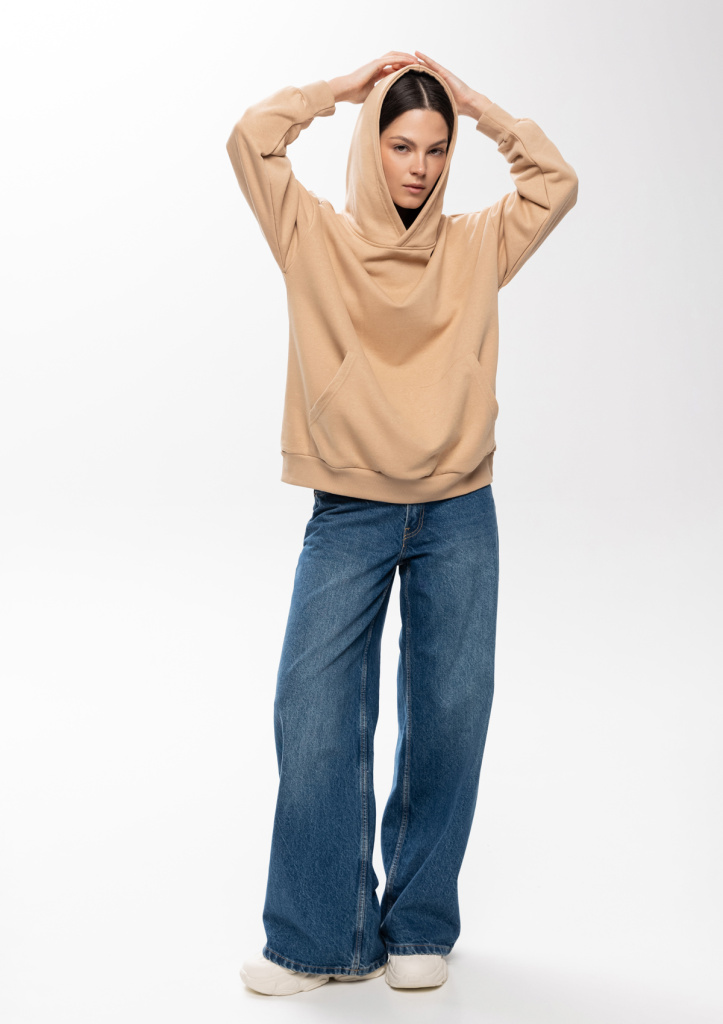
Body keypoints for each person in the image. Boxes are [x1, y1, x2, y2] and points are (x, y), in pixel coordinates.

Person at [226, 50, 578, 995]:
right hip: (348, 509)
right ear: (368, 145)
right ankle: (319, 937)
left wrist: (478, 106)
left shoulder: (475, 243)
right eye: (399, 145)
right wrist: (338, 90)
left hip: (458, 506)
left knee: (449, 716)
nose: (419, 167)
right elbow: (250, 140)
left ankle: (419, 922)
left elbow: (555, 183)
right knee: (312, 712)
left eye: (435, 148)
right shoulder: (312, 233)